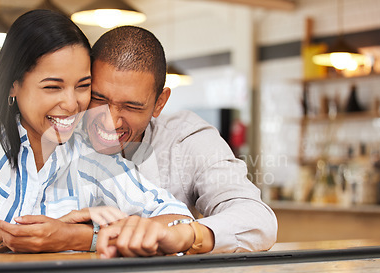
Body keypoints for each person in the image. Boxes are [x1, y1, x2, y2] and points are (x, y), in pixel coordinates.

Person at [0, 10, 196, 256]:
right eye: (53, 87)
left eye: (83, 86)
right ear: (13, 85)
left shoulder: (92, 153)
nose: (72, 104)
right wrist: (36, 233)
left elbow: (179, 220)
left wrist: (84, 237)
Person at [86, 26, 278, 256]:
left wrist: (189, 234)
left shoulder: (186, 140)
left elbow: (258, 219)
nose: (110, 121)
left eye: (132, 106)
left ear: (160, 103)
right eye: (98, 98)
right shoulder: (59, 134)